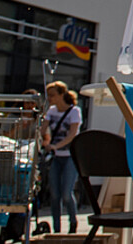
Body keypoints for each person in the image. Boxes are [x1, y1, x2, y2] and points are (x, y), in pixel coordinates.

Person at [41, 81, 82, 234]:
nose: (50, 98)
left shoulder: (74, 111)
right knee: (54, 194)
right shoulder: (51, 111)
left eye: (52, 95)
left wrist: (56, 146)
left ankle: (73, 222)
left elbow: (72, 134)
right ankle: (57, 228)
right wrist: (46, 140)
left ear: (61, 95)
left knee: (66, 193)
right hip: (55, 157)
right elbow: (43, 131)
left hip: (70, 156)